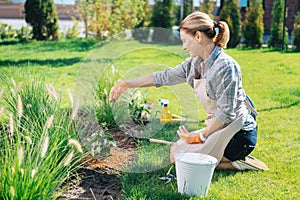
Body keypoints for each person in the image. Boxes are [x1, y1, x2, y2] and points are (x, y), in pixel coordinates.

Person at [109, 11, 268, 170]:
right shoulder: (194, 64)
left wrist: (200, 136)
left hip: (238, 135)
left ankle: (238, 162)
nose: (184, 47)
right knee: (175, 152)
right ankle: (224, 159)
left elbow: (226, 113)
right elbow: (164, 77)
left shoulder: (225, 67)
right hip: (217, 126)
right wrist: (126, 84)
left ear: (198, 37)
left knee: (182, 162)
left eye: (185, 41)